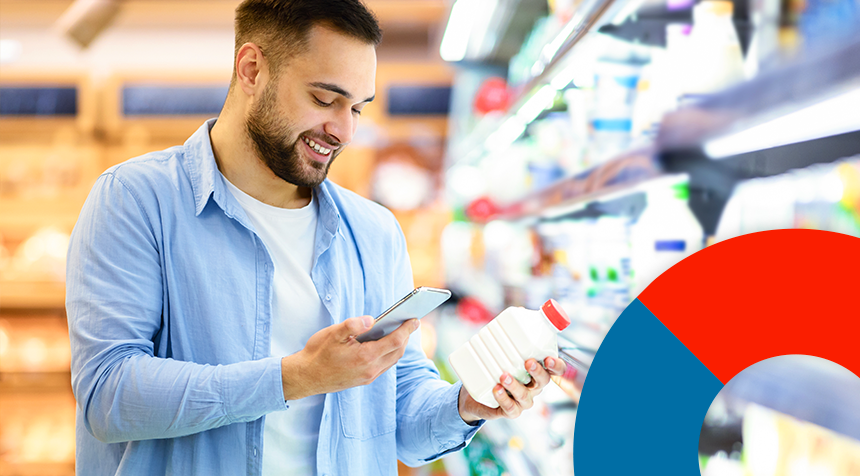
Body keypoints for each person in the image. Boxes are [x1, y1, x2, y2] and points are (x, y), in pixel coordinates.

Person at [65, 1, 568, 475]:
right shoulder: (135, 201)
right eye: (324, 99)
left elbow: (401, 421)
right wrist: (298, 376)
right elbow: (108, 397)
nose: (344, 131)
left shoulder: (374, 233)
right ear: (251, 70)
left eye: (357, 108)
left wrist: (466, 404)